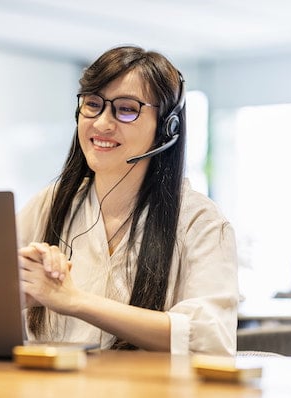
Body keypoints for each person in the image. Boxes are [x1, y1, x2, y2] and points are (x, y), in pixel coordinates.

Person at [17, 45, 238, 356]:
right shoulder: (50, 203)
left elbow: (210, 338)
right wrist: (16, 286)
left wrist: (74, 300)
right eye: (92, 104)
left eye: (126, 109)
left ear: (166, 127)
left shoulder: (199, 221)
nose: (102, 123)